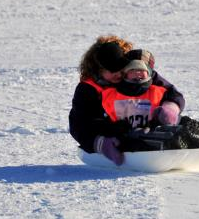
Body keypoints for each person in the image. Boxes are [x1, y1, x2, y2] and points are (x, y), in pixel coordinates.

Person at [69, 35, 185, 165]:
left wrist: (170, 108)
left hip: (144, 129)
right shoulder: (88, 89)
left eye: (121, 67)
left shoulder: (134, 72)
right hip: (110, 136)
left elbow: (171, 92)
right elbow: (78, 125)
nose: (118, 74)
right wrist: (100, 143)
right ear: (98, 70)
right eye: (111, 70)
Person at [98, 49, 199, 162]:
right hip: (131, 135)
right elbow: (102, 118)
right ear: (124, 73)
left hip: (157, 126)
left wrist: (169, 111)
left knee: (183, 123)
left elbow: (174, 99)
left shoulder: (158, 90)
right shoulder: (110, 94)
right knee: (141, 140)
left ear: (150, 74)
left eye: (142, 70)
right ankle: (175, 143)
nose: (138, 73)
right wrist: (112, 130)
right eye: (133, 70)